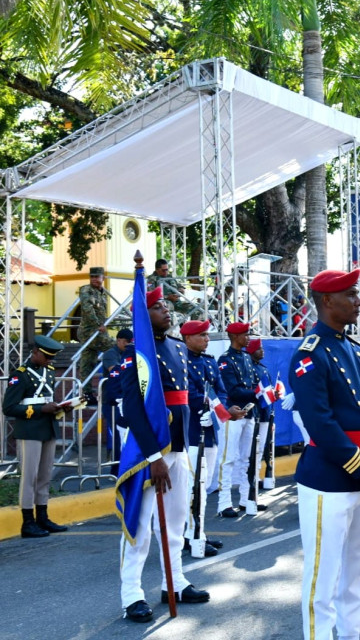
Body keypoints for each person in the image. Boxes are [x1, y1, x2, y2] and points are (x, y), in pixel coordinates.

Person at [288, 268, 360, 640]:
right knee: (323, 580)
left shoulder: (355, 350)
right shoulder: (309, 354)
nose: (359, 302)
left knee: (355, 575)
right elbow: (322, 425)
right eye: (351, 295)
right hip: (329, 480)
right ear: (327, 301)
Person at [118, 287, 209, 623]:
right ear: (143, 315)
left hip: (179, 444)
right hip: (150, 450)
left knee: (174, 523)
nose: (166, 310)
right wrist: (154, 455)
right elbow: (133, 408)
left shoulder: (176, 347)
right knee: (139, 528)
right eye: (157, 306)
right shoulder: (137, 354)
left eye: (167, 305)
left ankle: (175, 582)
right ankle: (132, 594)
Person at [182, 319, 244, 558]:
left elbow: (220, 390)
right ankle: (193, 536)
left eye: (207, 335)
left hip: (211, 429)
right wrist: (208, 406)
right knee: (193, 487)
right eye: (202, 335)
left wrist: (224, 409)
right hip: (192, 430)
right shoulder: (182, 360)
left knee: (204, 486)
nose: (207, 339)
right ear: (188, 338)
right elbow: (187, 394)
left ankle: (197, 533)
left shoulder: (209, 361)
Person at [3, 335, 69, 538]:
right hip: (30, 429)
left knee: (45, 475)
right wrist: (41, 409)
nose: (50, 361)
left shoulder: (49, 372)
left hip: (48, 427)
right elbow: (9, 407)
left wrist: (60, 408)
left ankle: (42, 516)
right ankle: (27, 522)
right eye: (47, 357)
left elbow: (47, 397)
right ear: (35, 353)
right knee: (29, 477)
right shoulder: (20, 375)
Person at [216, 322, 259, 517]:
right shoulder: (226, 360)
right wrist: (257, 394)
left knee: (246, 459)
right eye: (245, 334)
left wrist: (262, 392)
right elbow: (232, 389)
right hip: (233, 414)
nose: (248, 338)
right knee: (228, 458)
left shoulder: (247, 358)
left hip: (248, 413)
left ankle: (246, 499)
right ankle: (224, 503)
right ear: (235, 337)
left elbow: (253, 382)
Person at [78, 266, 114, 403]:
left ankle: (87, 394)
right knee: (117, 348)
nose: (94, 280)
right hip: (91, 332)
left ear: (102, 278)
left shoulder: (103, 292)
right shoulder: (86, 290)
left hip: (97, 332)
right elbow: (88, 309)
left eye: (96, 277)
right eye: (92, 277)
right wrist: (99, 324)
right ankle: (111, 385)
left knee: (87, 364)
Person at [246, 337, 274, 503]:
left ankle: (256, 478)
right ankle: (251, 481)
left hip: (266, 413)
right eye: (259, 348)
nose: (262, 351)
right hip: (257, 413)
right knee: (252, 451)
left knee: (261, 449)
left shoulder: (262, 368)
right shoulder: (251, 368)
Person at [101, 328, 133, 471]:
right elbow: (116, 371)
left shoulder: (129, 352)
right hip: (113, 401)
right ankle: (116, 469)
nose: (127, 345)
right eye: (125, 342)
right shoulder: (110, 354)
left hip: (127, 399)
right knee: (116, 436)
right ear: (118, 340)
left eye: (129, 343)